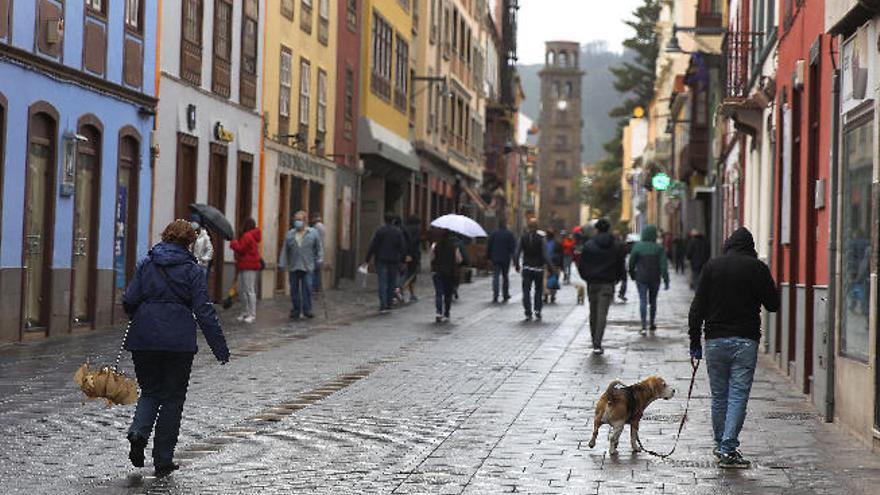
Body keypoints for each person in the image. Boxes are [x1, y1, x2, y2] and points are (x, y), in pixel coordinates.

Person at [122, 220, 230, 478]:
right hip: (178, 342)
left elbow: (128, 299)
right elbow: (204, 311)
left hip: (144, 338)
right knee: (172, 398)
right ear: (189, 242)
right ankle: (163, 460)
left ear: (166, 236)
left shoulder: (146, 263)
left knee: (149, 391)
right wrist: (219, 347)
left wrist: (142, 311)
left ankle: (138, 432)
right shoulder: (192, 270)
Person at [688, 227, 778, 469]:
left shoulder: (712, 267)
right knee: (738, 394)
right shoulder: (757, 268)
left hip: (715, 340)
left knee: (719, 396)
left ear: (728, 244)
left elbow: (697, 307)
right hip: (745, 340)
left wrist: (694, 342)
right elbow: (773, 304)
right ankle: (728, 448)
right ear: (751, 246)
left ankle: (721, 445)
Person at [576, 218, 626, 354]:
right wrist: (617, 279)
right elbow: (620, 265)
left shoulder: (589, 245)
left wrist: (587, 278)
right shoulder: (615, 245)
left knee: (593, 312)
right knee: (602, 313)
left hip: (593, 283)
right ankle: (598, 343)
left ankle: (594, 341)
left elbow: (582, 266)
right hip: (608, 283)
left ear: (597, 229)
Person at [279, 211, 324, 320]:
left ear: (305, 221)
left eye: (299, 220)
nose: (297, 222)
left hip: (308, 265)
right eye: (295, 220)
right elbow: (285, 250)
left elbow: (319, 248)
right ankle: (296, 309)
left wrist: (320, 259)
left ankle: (307, 309)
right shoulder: (290, 234)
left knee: (307, 288)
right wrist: (282, 263)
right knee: (294, 289)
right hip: (294, 266)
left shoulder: (313, 233)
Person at [628, 225, 670, 335]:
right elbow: (663, 266)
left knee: (643, 300)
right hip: (655, 277)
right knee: (653, 301)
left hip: (641, 277)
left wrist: (632, 274)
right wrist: (666, 280)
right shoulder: (659, 248)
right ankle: (651, 323)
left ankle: (643, 326)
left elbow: (631, 263)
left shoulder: (637, 247)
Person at [365, 213, 407, 314]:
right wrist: (403, 259)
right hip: (393, 260)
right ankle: (389, 303)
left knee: (382, 282)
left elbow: (373, 245)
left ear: (384, 220)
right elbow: (402, 247)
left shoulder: (380, 230)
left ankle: (383, 304)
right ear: (393, 221)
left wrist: (367, 258)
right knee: (392, 282)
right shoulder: (398, 232)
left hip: (381, 259)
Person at [515, 217, 552, 321]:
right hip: (538, 269)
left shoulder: (523, 237)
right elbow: (545, 254)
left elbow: (517, 252)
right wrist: (550, 267)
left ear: (528, 226)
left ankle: (528, 311)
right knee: (538, 290)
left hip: (527, 267)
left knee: (526, 290)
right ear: (537, 227)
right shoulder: (541, 238)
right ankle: (537, 310)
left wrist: (517, 264)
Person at [229, 218, 261, 323]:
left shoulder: (247, 236)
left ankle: (251, 313)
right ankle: (246, 312)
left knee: (248, 290)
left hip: (248, 265)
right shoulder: (250, 236)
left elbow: (241, 248)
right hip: (245, 265)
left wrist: (233, 243)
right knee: (244, 290)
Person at [430, 229, 462, 322]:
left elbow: (432, 258)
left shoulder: (435, 245)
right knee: (448, 293)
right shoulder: (454, 247)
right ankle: (447, 312)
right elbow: (459, 260)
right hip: (450, 272)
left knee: (438, 293)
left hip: (437, 272)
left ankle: (438, 312)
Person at [487, 222, 517, 303]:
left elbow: (489, 246)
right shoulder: (509, 234)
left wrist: (488, 257)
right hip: (505, 258)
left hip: (495, 258)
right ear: (506, 226)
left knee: (495, 276)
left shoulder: (494, 234)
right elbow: (513, 248)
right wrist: (515, 260)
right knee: (505, 277)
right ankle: (505, 294)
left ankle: (495, 295)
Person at [401, 215, 422, 303]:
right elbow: (414, 241)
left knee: (405, 272)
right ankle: (401, 289)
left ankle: (410, 293)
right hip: (414, 254)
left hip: (404, 253)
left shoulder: (403, 228)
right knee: (413, 273)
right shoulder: (417, 229)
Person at [190, 214, 213, 280]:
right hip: (191, 265)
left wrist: (202, 259)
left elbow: (209, 251)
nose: (193, 224)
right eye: (192, 222)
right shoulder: (189, 235)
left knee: (201, 285)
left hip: (202, 266)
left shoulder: (205, 236)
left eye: (195, 222)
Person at [544, 230, 564, 304]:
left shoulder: (544, 244)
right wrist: (562, 266)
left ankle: (546, 296)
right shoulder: (558, 244)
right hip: (556, 265)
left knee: (545, 280)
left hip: (546, 265)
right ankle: (552, 295)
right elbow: (562, 255)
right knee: (554, 280)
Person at [309, 213, 326, 293]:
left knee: (314, 271)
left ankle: (313, 287)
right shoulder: (322, 226)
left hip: (315, 252)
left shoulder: (316, 227)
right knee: (317, 272)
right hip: (320, 252)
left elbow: (314, 239)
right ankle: (317, 287)